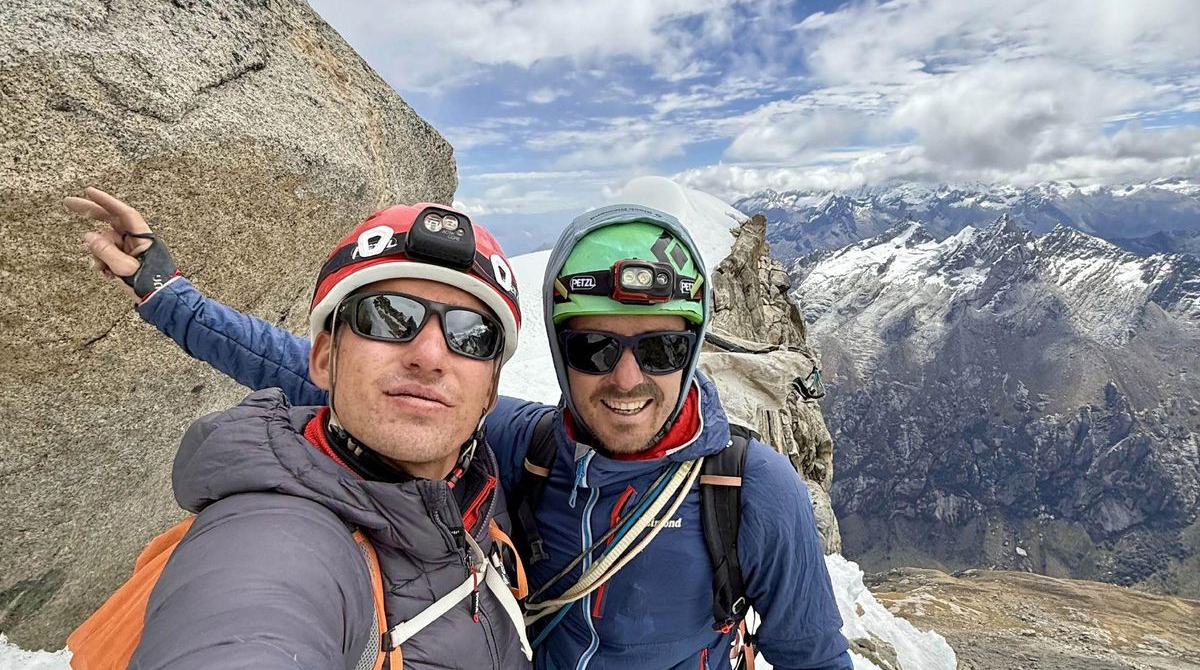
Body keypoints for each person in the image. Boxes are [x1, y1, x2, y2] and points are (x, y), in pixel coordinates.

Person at [74, 190, 853, 669]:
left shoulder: (747, 491)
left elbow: (815, 657)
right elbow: (321, 374)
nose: (625, 377)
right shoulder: (521, 444)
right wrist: (167, 294)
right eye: (593, 345)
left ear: (691, 349)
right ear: (559, 352)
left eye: (659, 347)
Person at [68, 189, 533, 669]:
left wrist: (167, 294)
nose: (430, 356)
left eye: (471, 335)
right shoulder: (270, 540)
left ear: (491, 390)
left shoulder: (480, 472)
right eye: (388, 318)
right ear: (325, 359)